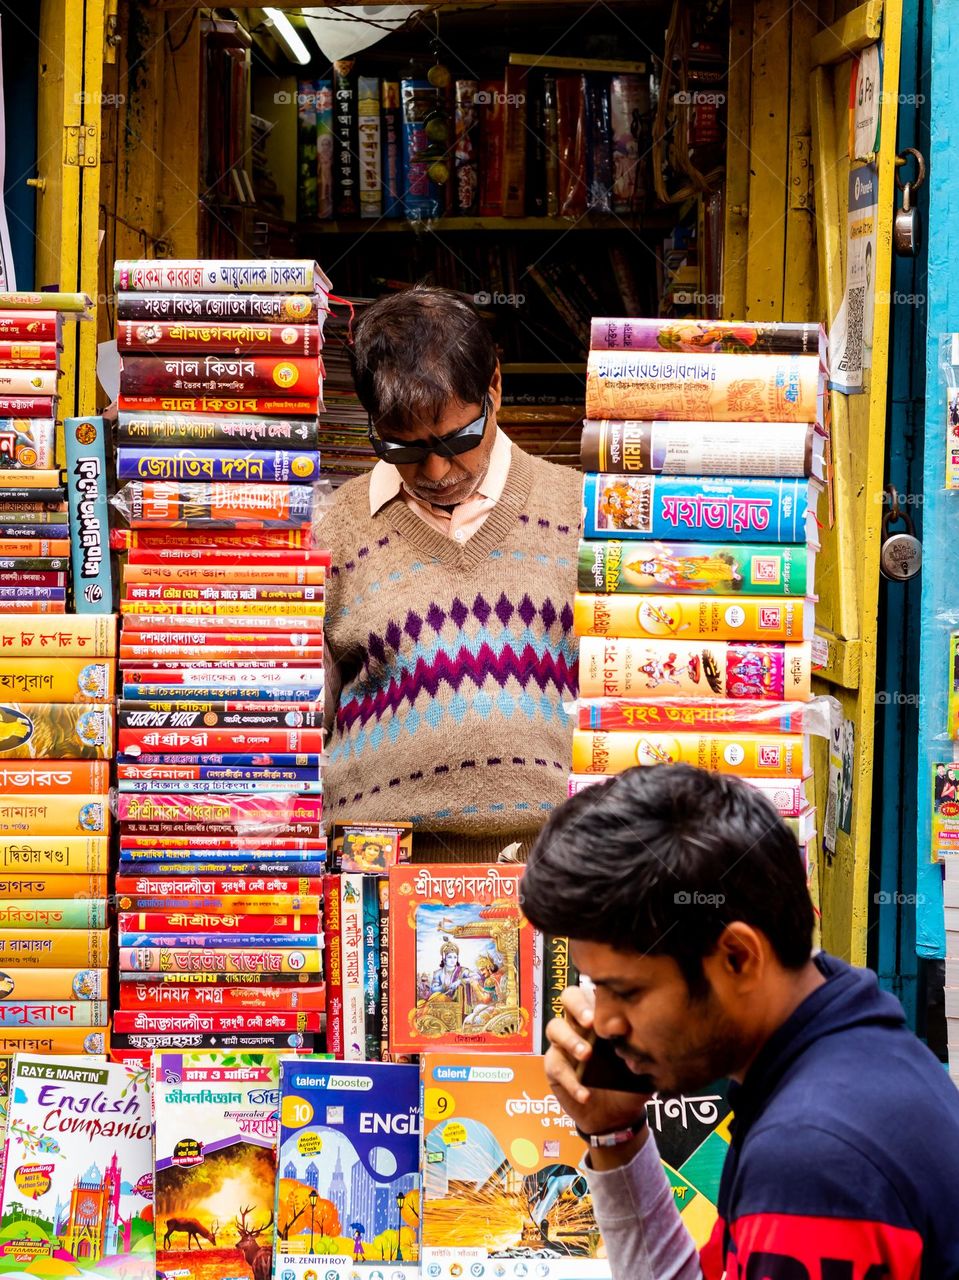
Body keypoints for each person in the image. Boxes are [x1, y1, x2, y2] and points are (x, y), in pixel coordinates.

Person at [520, 763, 959, 1279]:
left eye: (627, 991)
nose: (607, 1023)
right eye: (597, 989)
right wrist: (614, 1132)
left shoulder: (811, 1156)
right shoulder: (848, 1054)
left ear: (738, 958)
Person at [319, 286, 581, 863]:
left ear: (495, 389)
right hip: (377, 884)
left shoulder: (583, 514)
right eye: (403, 449)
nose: (436, 470)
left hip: (562, 873)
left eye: (456, 439)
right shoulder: (332, 532)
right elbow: (296, 729)